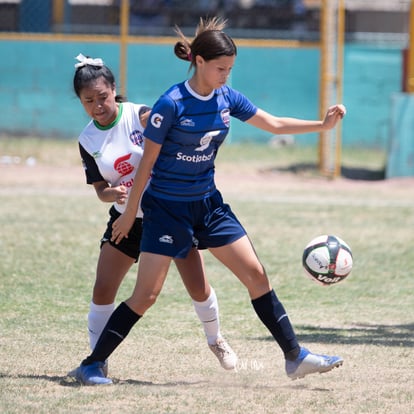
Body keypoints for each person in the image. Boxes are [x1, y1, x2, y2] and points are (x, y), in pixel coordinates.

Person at [76, 17, 346, 385]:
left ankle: (295, 356)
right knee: (146, 295)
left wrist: (322, 126)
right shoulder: (170, 104)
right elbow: (147, 165)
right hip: (167, 208)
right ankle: (93, 363)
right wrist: (126, 217)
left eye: (230, 69)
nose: (226, 75)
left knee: (256, 275)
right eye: (221, 68)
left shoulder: (226, 97)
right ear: (199, 62)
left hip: (208, 204)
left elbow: (274, 124)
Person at [71, 53, 237, 383]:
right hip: (125, 221)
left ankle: (216, 339)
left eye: (102, 97)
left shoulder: (140, 115)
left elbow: (170, 121)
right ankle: (97, 361)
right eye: (88, 101)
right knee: (103, 288)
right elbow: (100, 188)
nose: (97, 105)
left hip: (169, 213)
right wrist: (112, 195)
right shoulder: (87, 139)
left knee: (198, 287)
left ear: (114, 90)